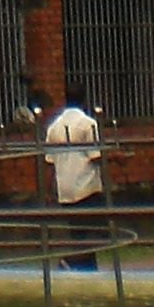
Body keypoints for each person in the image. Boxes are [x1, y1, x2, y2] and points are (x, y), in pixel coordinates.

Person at [45, 96, 104, 269]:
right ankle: (72, 261)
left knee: (78, 232)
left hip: (65, 187)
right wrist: (116, 159)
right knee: (96, 231)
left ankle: (88, 268)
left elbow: (49, 161)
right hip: (86, 185)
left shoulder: (54, 126)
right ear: (84, 101)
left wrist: (50, 189)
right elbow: (95, 156)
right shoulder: (88, 124)